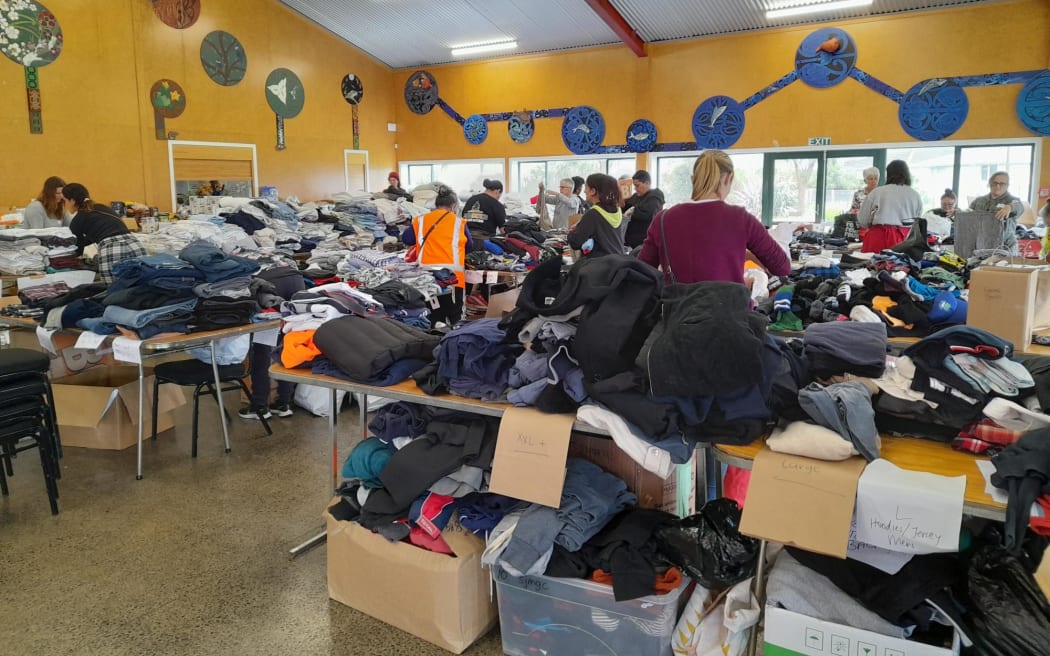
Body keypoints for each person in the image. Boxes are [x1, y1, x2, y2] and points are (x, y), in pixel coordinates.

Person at [637, 150, 790, 286]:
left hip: (678, 314)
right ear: (728, 179)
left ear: (693, 179)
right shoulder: (741, 219)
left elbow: (641, 271)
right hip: (729, 314)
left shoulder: (663, 220)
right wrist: (743, 254)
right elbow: (782, 267)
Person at [240, 267, 307, 420]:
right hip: (295, 279)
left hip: (268, 285)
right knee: (286, 347)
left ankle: (260, 406)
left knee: (261, 350)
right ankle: (283, 403)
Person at [401, 186, 471, 326]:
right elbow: (469, 246)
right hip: (453, 280)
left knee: (431, 320)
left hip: (427, 280)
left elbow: (406, 239)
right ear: (453, 206)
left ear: (436, 205)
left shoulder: (421, 220)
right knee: (455, 322)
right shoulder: (458, 223)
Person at [63, 183, 146, 284]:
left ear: (72, 201)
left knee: (115, 292)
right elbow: (98, 232)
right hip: (135, 244)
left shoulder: (78, 220)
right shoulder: (102, 208)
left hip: (112, 249)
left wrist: (66, 261)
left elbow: (77, 249)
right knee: (142, 288)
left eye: (64, 201)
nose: (64, 205)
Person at [857, 160, 923, 253]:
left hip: (878, 238)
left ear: (888, 174)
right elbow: (918, 222)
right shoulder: (915, 195)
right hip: (905, 240)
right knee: (901, 266)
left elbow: (863, 220)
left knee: (872, 266)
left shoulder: (877, 192)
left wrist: (871, 223)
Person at [567, 173, 624, 258]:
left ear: (593, 191)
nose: (584, 191)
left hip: (598, 265)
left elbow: (575, 242)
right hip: (616, 262)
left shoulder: (593, 214)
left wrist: (571, 233)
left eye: (586, 187)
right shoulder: (617, 210)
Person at [970, 171, 1025, 254]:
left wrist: (1010, 207)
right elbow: (968, 215)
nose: (998, 186)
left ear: (1007, 186)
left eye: (1002, 184)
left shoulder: (1013, 200)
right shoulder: (979, 201)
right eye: (995, 183)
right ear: (990, 183)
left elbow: (1019, 207)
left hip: (1005, 245)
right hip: (981, 244)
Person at [622, 170, 665, 249]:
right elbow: (625, 206)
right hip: (631, 241)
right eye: (634, 186)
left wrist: (632, 211)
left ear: (647, 183)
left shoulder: (655, 196)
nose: (635, 188)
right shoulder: (636, 196)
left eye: (637, 185)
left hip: (644, 242)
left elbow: (649, 214)